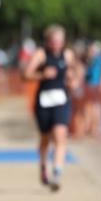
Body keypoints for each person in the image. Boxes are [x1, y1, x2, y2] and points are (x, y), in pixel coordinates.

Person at [23, 25, 78, 191]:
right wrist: (42, 74)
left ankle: (57, 173)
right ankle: (43, 166)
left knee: (60, 135)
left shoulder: (68, 55)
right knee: (45, 138)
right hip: (44, 102)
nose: (56, 44)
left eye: (60, 41)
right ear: (48, 41)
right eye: (53, 41)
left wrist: (73, 80)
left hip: (61, 100)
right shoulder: (41, 54)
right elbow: (25, 75)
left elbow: (75, 72)